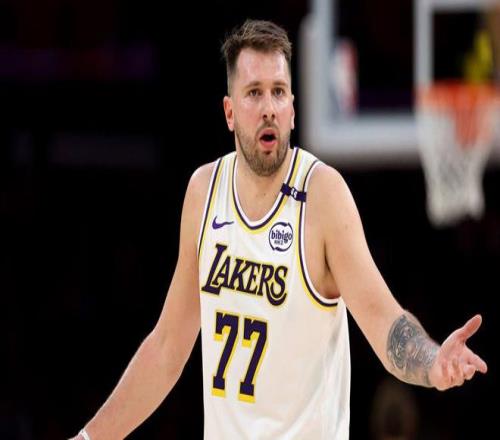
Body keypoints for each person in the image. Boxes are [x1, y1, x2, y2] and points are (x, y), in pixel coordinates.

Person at [70, 19, 488, 440]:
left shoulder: (322, 195)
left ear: (292, 109)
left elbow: (385, 322)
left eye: (279, 91)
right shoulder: (204, 192)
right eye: (254, 93)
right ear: (230, 112)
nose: (269, 107)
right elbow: (165, 350)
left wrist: (433, 362)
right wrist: (87, 438)